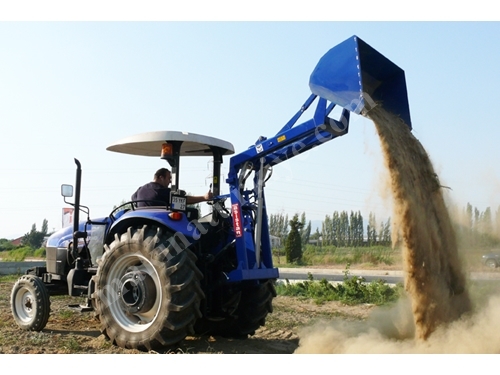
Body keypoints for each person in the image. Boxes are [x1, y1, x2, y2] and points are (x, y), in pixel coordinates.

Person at [131, 167, 212, 208]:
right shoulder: (162, 191)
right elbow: (184, 200)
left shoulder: (140, 189)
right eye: (169, 178)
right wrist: (204, 197)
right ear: (161, 177)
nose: (170, 181)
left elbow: (133, 198)